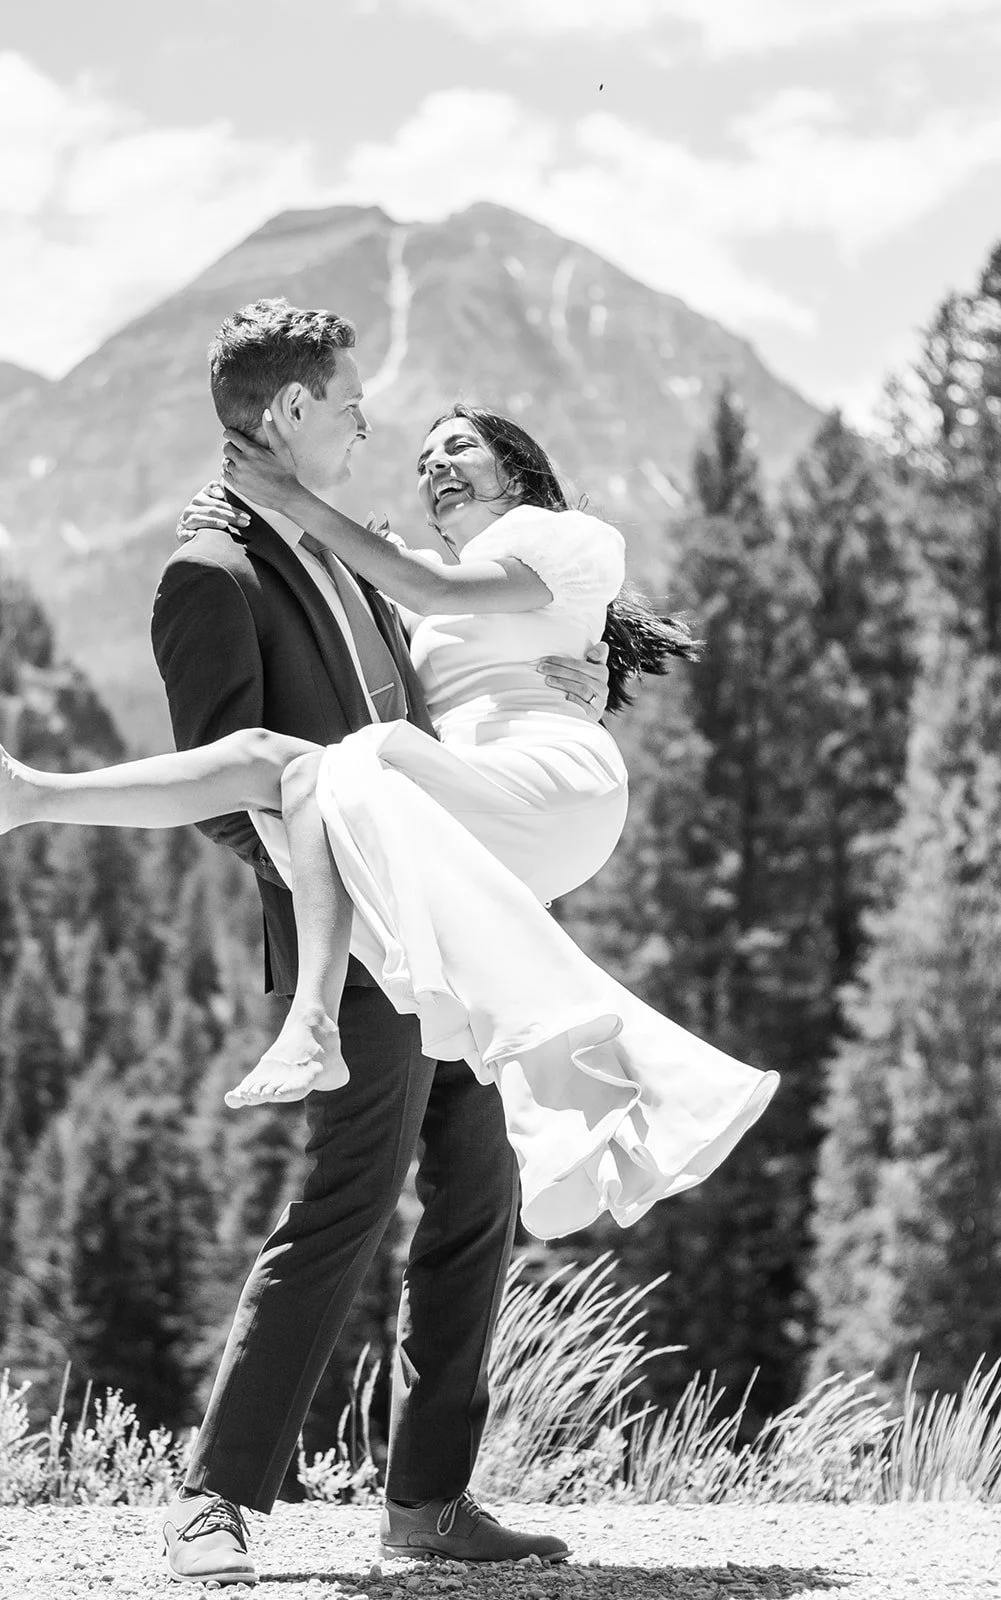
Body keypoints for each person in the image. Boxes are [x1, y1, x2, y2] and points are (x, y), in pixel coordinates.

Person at [13, 300, 613, 1586]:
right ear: (289, 415)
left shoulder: (356, 551)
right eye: (347, 404)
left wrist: (574, 677)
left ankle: (430, 1501)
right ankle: (214, 1503)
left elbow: (445, 684)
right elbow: (231, 792)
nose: (364, 422)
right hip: (358, 938)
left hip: (456, 927)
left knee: (476, 1195)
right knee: (344, 1202)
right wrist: (355, 883)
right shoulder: (210, 574)